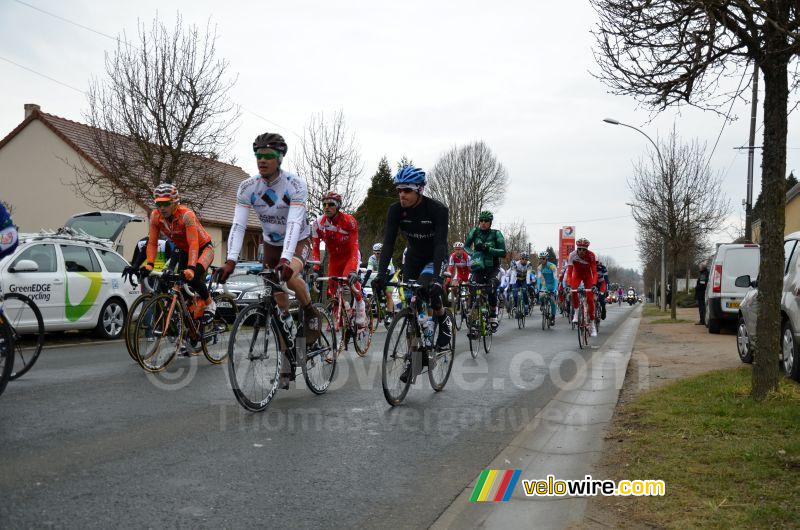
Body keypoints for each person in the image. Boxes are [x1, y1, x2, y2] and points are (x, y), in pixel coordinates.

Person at [219, 133, 322, 387]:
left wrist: (287, 260)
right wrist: (231, 261)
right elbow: (238, 226)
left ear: (279, 158)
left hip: (298, 240)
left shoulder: (294, 186)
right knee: (278, 304)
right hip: (272, 244)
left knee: (291, 274)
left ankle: (310, 312)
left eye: (268, 156)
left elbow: (296, 221)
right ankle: (288, 354)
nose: (262, 161)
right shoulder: (248, 188)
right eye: (258, 156)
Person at [371, 165, 450, 381]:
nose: (402, 194)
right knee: (411, 306)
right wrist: (380, 275)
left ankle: (443, 319)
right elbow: (388, 243)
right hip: (413, 257)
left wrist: (436, 279)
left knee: (428, 289)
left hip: (435, 255)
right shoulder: (396, 210)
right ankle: (415, 358)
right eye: (399, 190)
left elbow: (441, 243)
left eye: (407, 190)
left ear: (419, 190)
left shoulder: (437, 210)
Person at [141, 184, 216, 321]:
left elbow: (193, 243)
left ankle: (210, 303)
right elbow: (152, 242)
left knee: (191, 278)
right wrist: (150, 264)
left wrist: (192, 268)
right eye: (158, 204)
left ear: (175, 203)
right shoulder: (155, 216)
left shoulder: (187, 215)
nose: (162, 208)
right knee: (177, 283)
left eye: (166, 203)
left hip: (203, 249)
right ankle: (189, 317)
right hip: (184, 251)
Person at [311, 191, 366, 326]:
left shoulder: (349, 221)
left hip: (350, 256)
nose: (326, 207)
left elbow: (354, 246)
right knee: (332, 288)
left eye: (331, 204)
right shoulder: (317, 224)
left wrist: (353, 269)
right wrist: (315, 268)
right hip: (334, 259)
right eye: (324, 204)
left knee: (349, 279)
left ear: (338, 206)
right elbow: (316, 248)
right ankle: (340, 314)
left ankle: (360, 303)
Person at [464, 211, 507, 331]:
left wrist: (489, 249)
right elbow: (466, 246)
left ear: (490, 222)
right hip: (478, 267)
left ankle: (493, 316)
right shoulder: (475, 231)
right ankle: (473, 319)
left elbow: (503, 252)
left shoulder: (496, 234)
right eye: (481, 221)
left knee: (491, 289)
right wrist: (473, 253)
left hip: (493, 268)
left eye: (486, 221)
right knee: (473, 289)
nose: (483, 223)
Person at [566, 238, 598, 337]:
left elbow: (594, 272)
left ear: (587, 249)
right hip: (577, 275)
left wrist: (593, 284)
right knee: (573, 291)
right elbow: (569, 272)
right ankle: (576, 313)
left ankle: (592, 325)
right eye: (579, 249)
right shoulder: (572, 255)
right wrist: (568, 285)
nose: (581, 251)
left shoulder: (592, 255)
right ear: (577, 248)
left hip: (588, 276)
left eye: (584, 249)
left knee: (590, 299)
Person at [367, 243, 395, 314]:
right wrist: (364, 282)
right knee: (373, 283)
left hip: (390, 275)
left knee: (388, 294)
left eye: (379, 253)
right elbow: (369, 270)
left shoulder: (387, 257)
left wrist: (383, 281)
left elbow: (388, 270)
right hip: (381, 274)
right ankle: (378, 299)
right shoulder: (371, 258)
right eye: (375, 252)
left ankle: (390, 314)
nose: (377, 254)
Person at [537, 251, 558, 325]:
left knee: (552, 301)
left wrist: (555, 289)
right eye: (540, 259)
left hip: (552, 285)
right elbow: (539, 278)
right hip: (545, 285)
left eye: (543, 258)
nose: (541, 260)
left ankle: (553, 317)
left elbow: (555, 278)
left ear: (546, 259)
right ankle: (542, 304)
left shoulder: (552, 266)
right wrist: (538, 288)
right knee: (541, 295)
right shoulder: (539, 267)